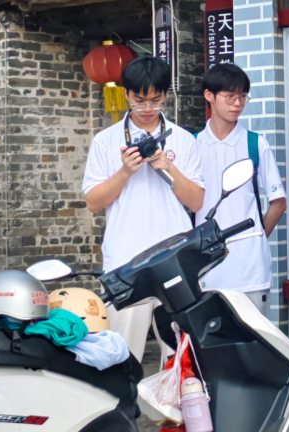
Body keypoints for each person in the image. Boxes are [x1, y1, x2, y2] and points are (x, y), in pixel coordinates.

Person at [82, 57, 205, 362]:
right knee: (122, 356)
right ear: (125, 94)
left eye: (156, 100)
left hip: (175, 259)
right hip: (125, 262)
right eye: (139, 99)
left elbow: (196, 202)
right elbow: (93, 203)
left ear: (166, 94)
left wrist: (168, 167)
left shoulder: (183, 139)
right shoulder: (105, 141)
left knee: (182, 358)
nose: (147, 108)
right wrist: (126, 171)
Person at [193, 64, 286, 317]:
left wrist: (257, 237)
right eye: (230, 96)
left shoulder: (255, 144)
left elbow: (279, 202)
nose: (237, 103)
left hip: (250, 270)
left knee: (254, 338)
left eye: (242, 96)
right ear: (209, 95)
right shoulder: (193, 145)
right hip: (206, 270)